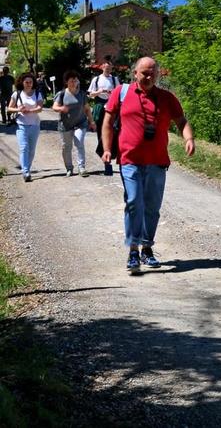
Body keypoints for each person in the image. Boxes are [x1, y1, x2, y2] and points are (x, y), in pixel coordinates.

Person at [102, 56, 195, 273]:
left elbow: (181, 121)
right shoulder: (121, 93)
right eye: (144, 72)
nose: (148, 76)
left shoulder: (167, 98)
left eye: (152, 72)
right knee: (134, 202)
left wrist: (189, 138)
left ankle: (147, 248)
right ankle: (133, 250)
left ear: (158, 74)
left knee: (152, 208)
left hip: (157, 162)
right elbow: (108, 121)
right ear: (135, 73)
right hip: (129, 160)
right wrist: (107, 149)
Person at [53, 70, 96, 177]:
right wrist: (61, 108)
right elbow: (54, 107)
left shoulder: (81, 94)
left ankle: (81, 168)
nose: (74, 82)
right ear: (67, 82)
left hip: (80, 123)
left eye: (75, 80)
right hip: (65, 125)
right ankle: (69, 168)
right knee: (66, 147)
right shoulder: (62, 94)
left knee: (79, 142)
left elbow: (87, 109)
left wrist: (91, 121)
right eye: (71, 81)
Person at [8, 73, 43, 182]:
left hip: (35, 125)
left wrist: (30, 111)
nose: (28, 84)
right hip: (21, 125)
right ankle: (26, 172)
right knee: (24, 148)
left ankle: (27, 167)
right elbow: (9, 108)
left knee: (31, 150)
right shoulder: (17, 94)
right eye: (26, 82)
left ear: (33, 83)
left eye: (30, 82)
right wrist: (19, 109)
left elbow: (40, 108)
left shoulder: (37, 93)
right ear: (22, 83)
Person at [88, 60, 120, 175]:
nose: (108, 70)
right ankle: (106, 161)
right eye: (106, 67)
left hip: (112, 106)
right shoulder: (96, 79)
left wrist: (112, 93)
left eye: (110, 68)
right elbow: (90, 94)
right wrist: (99, 92)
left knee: (114, 132)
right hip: (100, 106)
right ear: (102, 67)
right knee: (101, 134)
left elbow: (119, 93)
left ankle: (113, 158)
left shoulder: (114, 80)